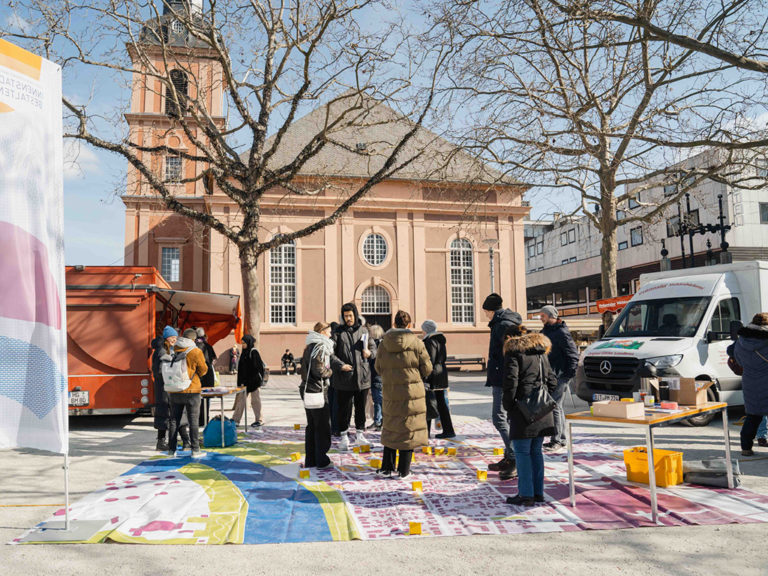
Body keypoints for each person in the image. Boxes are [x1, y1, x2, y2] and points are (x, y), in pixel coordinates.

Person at [502, 324, 558, 506]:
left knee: (522, 452)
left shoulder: (514, 353)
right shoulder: (541, 353)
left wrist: (509, 405)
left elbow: (511, 382)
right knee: (536, 451)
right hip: (541, 408)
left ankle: (526, 494)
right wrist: (542, 396)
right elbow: (552, 381)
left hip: (522, 408)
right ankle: (538, 492)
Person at [375, 310, 433, 479]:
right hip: (411, 392)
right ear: (409, 325)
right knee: (409, 428)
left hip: (391, 390)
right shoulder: (417, 343)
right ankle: (404, 470)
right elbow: (427, 368)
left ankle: (387, 467)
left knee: (391, 426)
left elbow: (378, 367)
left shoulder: (384, 343)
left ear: (394, 324)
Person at [482, 292, 522, 480]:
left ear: (491, 310)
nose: (485, 316)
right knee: (505, 419)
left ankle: (514, 458)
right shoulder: (501, 323)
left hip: (504, 378)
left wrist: (505, 375)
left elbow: (513, 354)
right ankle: (509, 456)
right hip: (501, 376)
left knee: (499, 418)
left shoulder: (503, 325)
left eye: (486, 312)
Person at [330, 302, 376, 451]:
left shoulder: (364, 331)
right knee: (344, 408)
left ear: (355, 315)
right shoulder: (338, 332)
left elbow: (374, 348)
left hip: (362, 377)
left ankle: (360, 435)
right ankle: (344, 436)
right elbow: (330, 353)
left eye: (350, 315)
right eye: (345, 316)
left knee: (361, 408)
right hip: (344, 377)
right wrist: (340, 365)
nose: (348, 318)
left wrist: (370, 353)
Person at [727, 313, 768, 456]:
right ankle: (762, 439)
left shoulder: (741, 341)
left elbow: (733, 355)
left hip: (750, 382)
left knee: (753, 415)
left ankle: (746, 447)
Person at [539, 305, 579, 451]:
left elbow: (573, 354)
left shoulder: (562, 332)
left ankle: (557, 439)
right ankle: (560, 438)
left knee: (554, 406)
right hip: (551, 375)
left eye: (543, 316)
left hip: (561, 375)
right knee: (557, 406)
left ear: (550, 316)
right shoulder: (545, 331)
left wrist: (569, 374)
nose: (541, 318)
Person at [167, 328, 209, 458]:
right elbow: (203, 370)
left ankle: (171, 450)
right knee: (193, 421)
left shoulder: (174, 349)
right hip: (192, 390)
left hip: (175, 390)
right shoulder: (195, 351)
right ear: (193, 339)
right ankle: (195, 450)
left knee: (174, 420)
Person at [300, 322, 335, 468]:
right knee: (322, 427)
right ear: (322, 332)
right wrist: (330, 372)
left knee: (312, 426)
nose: (331, 334)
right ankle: (321, 460)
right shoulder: (320, 347)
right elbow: (318, 370)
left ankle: (311, 459)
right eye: (329, 331)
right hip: (317, 390)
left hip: (307, 389)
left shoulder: (310, 346)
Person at [422, 319, 455, 439]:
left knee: (429, 403)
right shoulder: (440, 340)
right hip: (441, 373)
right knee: (441, 404)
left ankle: (425, 433)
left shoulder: (430, 341)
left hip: (433, 375)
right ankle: (448, 429)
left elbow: (429, 360)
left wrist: (425, 377)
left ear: (426, 330)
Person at [150, 325, 177, 452]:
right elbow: (160, 371)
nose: (174, 340)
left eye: (176, 337)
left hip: (165, 386)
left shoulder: (167, 349)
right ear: (166, 338)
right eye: (172, 337)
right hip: (163, 387)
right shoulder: (161, 351)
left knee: (166, 413)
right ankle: (161, 441)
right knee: (164, 413)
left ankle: (164, 440)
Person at [233, 334, 266, 428]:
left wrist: (254, 381)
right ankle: (236, 420)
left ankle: (259, 420)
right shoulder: (244, 353)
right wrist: (240, 383)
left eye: (244, 343)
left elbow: (258, 368)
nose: (242, 345)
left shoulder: (253, 352)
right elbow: (241, 369)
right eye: (242, 343)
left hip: (253, 382)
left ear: (249, 343)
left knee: (255, 401)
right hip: (244, 382)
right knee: (241, 401)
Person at [195, 327, 217, 426]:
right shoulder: (208, 346)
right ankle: (204, 419)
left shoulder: (193, 347)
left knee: (196, 400)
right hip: (208, 376)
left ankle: (197, 420)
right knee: (206, 400)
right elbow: (213, 360)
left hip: (197, 377)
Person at [367, 324, 385, 432]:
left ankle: (379, 422)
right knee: (379, 400)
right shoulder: (384, 344)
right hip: (381, 376)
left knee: (378, 401)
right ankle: (378, 421)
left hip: (376, 376)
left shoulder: (374, 345)